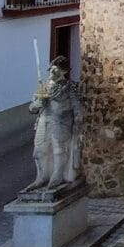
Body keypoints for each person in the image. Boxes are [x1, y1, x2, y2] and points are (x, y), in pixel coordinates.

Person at [26, 56, 81, 191]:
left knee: (59, 150)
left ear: (63, 71)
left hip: (61, 121)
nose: (51, 72)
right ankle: (41, 177)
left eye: (55, 70)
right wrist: (38, 103)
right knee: (39, 151)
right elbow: (32, 108)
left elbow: (77, 107)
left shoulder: (69, 87)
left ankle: (57, 176)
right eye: (51, 69)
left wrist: (78, 122)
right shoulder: (43, 87)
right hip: (44, 121)